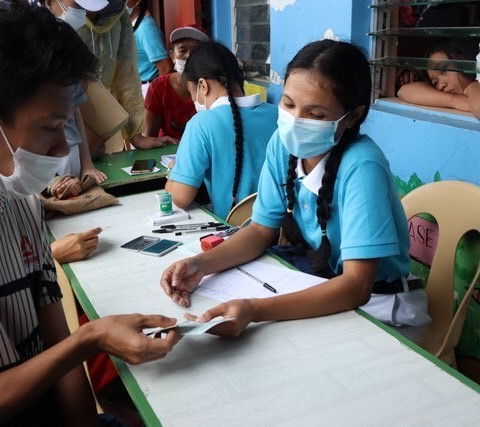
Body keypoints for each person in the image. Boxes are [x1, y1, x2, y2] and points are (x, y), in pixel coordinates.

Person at [0, 7, 180, 426]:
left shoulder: (19, 203)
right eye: (49, 127)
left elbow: (55, 346)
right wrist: (89, 339)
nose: (61, 149)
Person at [160, 40, 431, 338]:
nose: (295, 121)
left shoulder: (362, 167)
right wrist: (200, 265)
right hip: (325, 285)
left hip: (383, 310)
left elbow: (357, 286)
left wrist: (256, 309)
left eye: (315, 115)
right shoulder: (282, 145)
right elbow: (260, 230)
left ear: (352, 115)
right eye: (288, 104)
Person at [164, 40, 278, 220]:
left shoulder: (201, 123)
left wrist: (174, 169)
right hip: (281, 230)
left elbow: (179, 197)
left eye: (192, 94)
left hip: (234, 233)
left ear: (203, 85)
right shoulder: (277, 114)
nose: (194, 101)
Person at [43, 0, 174, 154]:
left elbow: (126, 76)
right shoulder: (43, 22)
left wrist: (135, 135)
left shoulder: (119, 16)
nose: (94, 14)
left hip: (105, 120)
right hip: (57, 126)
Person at [397, 39, 480, 125]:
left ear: (462, 60)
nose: (441, 85)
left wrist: (473, 87)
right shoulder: (454, 97)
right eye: (435, 82)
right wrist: (455, 100)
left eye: (444, 71)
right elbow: (403, 91)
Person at [144, 25, 208, 142]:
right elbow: (149, 137)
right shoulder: (159, 87)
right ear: (173, 56)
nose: (188, 56)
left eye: (195, 51)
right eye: (183, 50)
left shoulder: (214, 85)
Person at [127, 0, 172, 96]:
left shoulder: (147, 29)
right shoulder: (134, 25)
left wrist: (156, 95)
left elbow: (166, 68)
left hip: (148, 88)